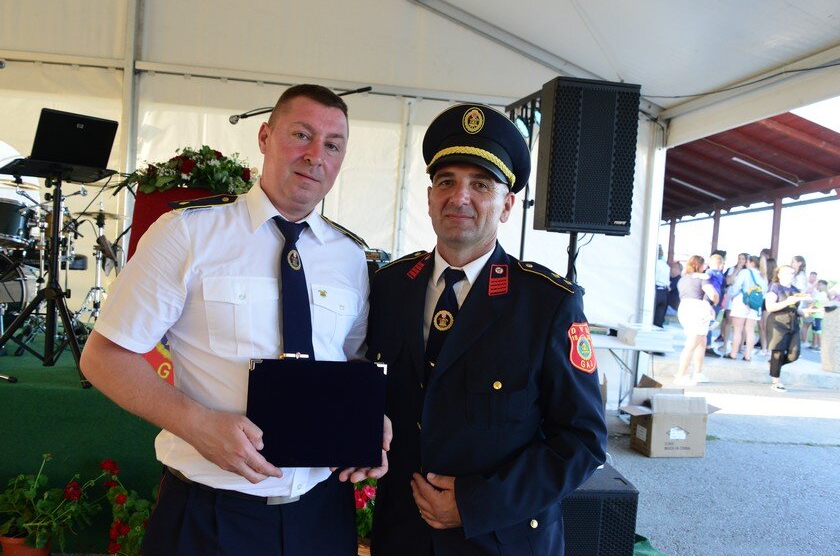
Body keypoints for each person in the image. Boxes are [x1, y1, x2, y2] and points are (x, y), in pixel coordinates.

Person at [80, 85, 390, 555]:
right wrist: (198, 424)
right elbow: (104, 357)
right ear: (265, 137)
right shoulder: (188, 233)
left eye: (333, 145)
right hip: (212, 513)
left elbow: (351, 363)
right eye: (301, 135)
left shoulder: (349, 256)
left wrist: (369, 421)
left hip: (322, 515)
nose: (315, 155)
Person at [366, 104, 607, 555]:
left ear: (507, 205)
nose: (459, 197)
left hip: (502, 540)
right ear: (430, 197)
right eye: (446, 182)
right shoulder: (390, 286)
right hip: (402, 536)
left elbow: (583, 440)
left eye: (480, 185)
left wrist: (477, 503)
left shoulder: (548, 303)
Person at [674, 255, 719, 385]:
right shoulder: (702, 278)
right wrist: (715, 301)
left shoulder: (683, 279)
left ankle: (698, 373)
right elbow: (713, 294)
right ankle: (681, 375)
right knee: (692, 343)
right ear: (699, 265)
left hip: (684, 307)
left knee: (701, 341)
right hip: (698, 309)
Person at [764, 265, 808, 392]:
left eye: (792, 273)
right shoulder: (775, 287)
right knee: (777, 352)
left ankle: (773, 365)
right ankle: (776, 382)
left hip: (793, 324)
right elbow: (769, 307)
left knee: (794, 354)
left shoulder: (795, 290)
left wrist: (805, 312)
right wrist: (787, 302)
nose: (790, 275)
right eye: (787, 273)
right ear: (779, 275)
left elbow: (796, 309)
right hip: (778, 323)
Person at [727, 255, 766, 361]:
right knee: (750, 330)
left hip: (742, 300)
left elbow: (736, 287)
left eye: (747, 261)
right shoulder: (762, 275)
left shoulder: (745, 272)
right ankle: (748, 355)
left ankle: (733, 353)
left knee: (737, 330)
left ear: (752, 263)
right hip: (755, 304)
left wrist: (732, 296)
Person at [717, 252, 748, 351]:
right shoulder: (731, 269)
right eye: (739, 258)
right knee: (728, 320)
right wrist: (736, 270)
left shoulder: (748, 271)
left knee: (743, 323)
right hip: (731, 296)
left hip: (743, 298)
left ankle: (740, 346)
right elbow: (728, 281)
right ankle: (725, 344)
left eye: (743, 259)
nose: (740, 261)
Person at [704, 252, 725, 354]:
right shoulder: (716, 273)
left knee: (708, 322)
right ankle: (707, 344)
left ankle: (707, 344)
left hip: (713, 297)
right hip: (714, 297)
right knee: (709, 322)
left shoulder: (713, 272)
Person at [653, 245, 670, 327]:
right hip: (664, 292)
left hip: (655, 290)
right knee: (658, 322)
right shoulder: (666, 265)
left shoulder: (654, 264)